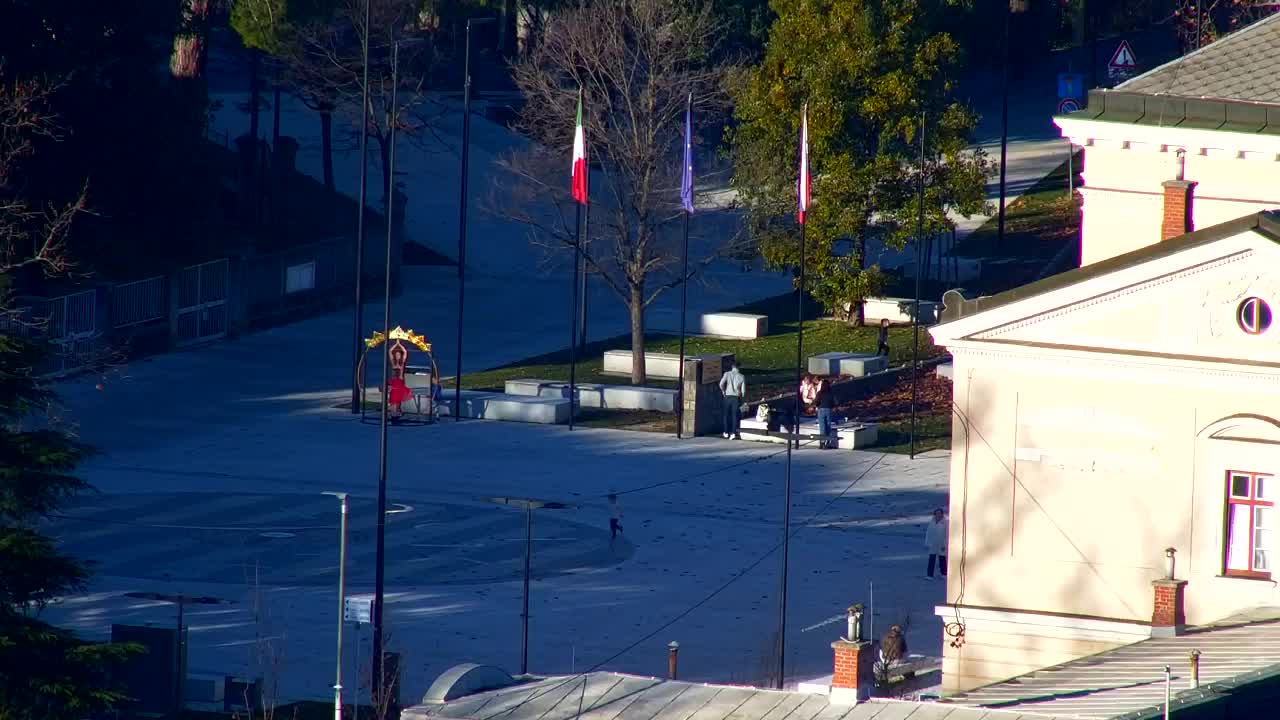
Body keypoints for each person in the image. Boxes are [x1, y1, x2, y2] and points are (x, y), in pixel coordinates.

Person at [719, 360, 745, 439]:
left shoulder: (727, 374)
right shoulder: (741, 376)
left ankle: (726, 432)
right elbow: (743, 391)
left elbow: (721, 384)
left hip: (727, 396)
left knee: (726, 415)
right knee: (735, 416)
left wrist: (723, 391)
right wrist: (742, 399)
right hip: (736, 398)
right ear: (739, 367)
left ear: (732, 366)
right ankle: (733, 433)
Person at [925, 508, 948, 580]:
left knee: (942, 559)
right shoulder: (932, 522)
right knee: (931, 559)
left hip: (941, 544)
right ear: (934, 514)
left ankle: (944, 574)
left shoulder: (945, 523)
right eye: (937, 513)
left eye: (940, 513)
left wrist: (945, 544)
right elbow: (928, 533)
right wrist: (927, 543)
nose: (938, 515)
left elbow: (947, 534)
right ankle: (929, 575)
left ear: (942, 514)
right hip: (933, 544)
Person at [814, 377, 835, 449]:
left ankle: (822, 443)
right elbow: (834, 402)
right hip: (829, 409)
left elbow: (816, 402)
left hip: (821, 410)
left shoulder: (820, 393)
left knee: (822, 426)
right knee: (828, 425)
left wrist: (817, 405)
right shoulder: (831, 393)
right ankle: (827, 442)